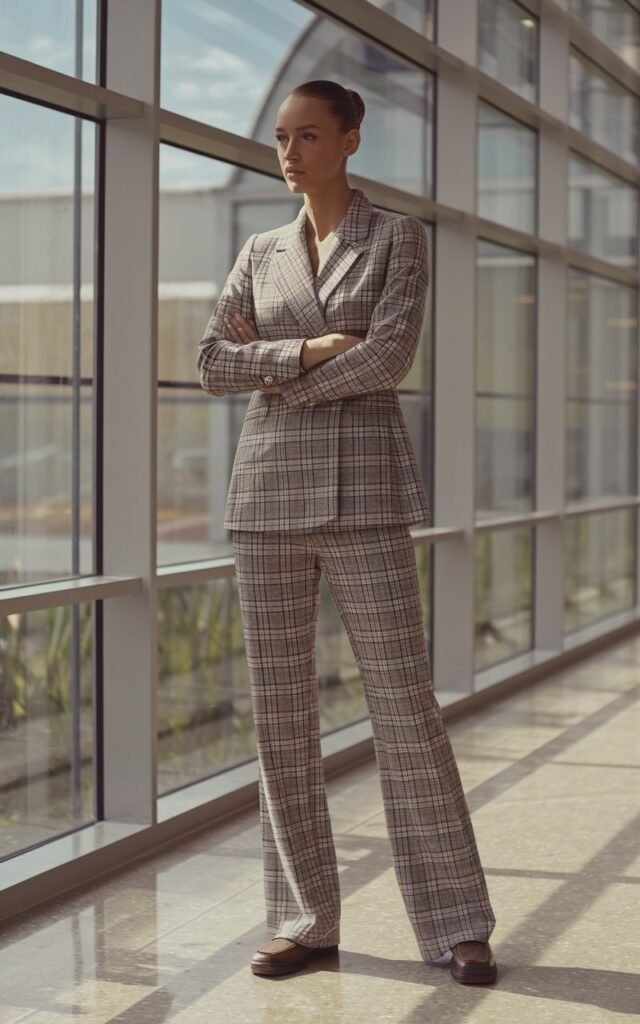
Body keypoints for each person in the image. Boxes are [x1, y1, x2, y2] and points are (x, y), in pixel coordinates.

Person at [197, 79, 497, 985]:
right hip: (265, 504)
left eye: (309, 135)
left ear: (352, 140)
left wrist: (280, 380)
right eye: (282, 138)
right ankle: (302, 917)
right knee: (281, 721)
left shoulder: (398, 238)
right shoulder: (260, 249)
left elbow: (392, 355)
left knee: (406, 710)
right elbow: (213, 361)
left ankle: (458, 921)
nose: (289, 152)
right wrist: (303, 353)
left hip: (364, 498)